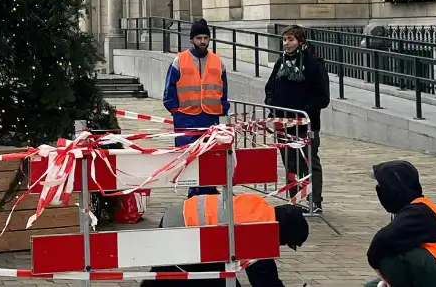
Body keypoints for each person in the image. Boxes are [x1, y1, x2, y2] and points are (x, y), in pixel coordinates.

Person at [139, 193, 309, 287]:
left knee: (218, 272)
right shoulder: (260, 231)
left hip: (177, 218)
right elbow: (263, 279)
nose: (280, 245)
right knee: (221, 282)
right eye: (285, 242)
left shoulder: (260, 209)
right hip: (182, 229)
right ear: (285, 232)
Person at [363, 160, 436, 287]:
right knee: (371, 286)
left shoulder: (418, 212)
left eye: (382, 186)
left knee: (390, 253)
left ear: (393, 188)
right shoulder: (416, 209)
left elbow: (381, 241)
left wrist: (378, 268)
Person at [264, 25, 329, 213]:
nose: (286, 44)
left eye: (291, 40)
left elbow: (322, 96)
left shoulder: (313, 63)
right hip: (283, 124)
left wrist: (304, 111)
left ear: (301, 42)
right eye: (284, 40)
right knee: (290, 162)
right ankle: (295, 198)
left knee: (309, 161)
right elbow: (270, 88)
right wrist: (272, 103)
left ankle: (314, 200)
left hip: (305, 124)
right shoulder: (281, 63)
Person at [163, 18, 229, 196]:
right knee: (190, 157)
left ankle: (206, 190)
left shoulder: (218, 61)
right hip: (186, 117)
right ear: (192, 39)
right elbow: (169, 90)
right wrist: (175, 111)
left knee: (210, 155)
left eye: (205, 38)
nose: (202, 41)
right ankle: (195, 191)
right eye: (199, 38)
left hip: (211, 117)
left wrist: (223, 110)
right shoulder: (180, 60)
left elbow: (224, 89)